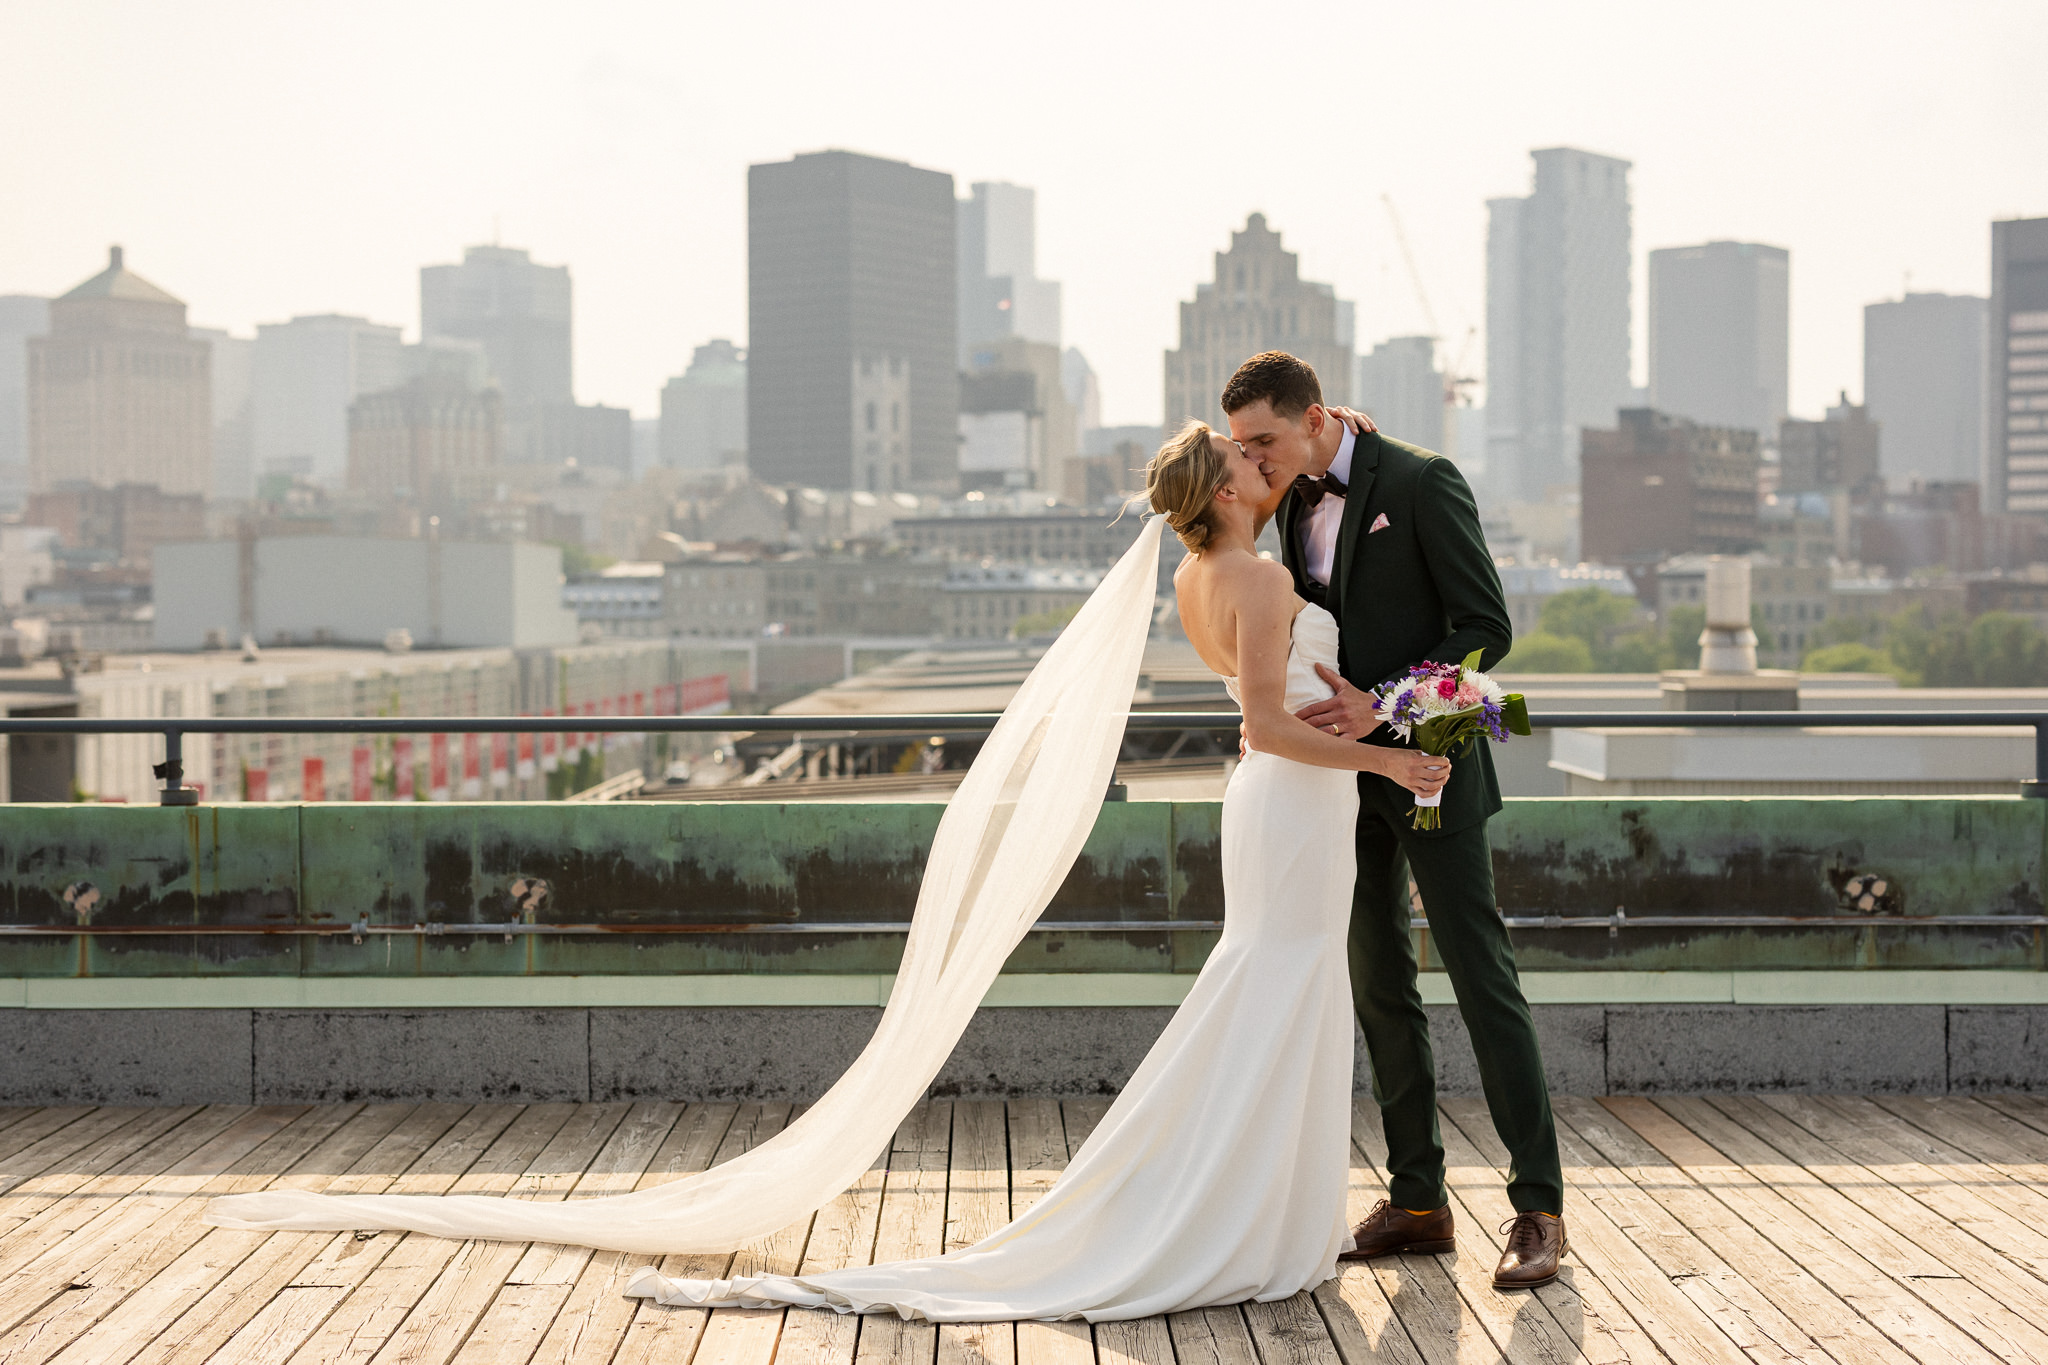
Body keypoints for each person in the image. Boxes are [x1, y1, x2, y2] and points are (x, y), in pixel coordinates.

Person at [203, 420, 1454, 1322]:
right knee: (1274, 988)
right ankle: (1223, 1220)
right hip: (1290, 797)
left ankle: (1256, 1218)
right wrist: (1397, 769)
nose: (1260, 463)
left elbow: (1288, 693)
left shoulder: (1201, 573)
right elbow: (1256, 723)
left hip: (1291, 803)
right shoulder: (1246, 571)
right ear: (1223, 491)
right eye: (1243, 458)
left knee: (1279, 991)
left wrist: (1358, 712)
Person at [1225, 350, 1566, 1289]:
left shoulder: (1421, 479)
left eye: (1266, 440)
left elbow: (1486, 625)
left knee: (1481, 975)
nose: (1254, 458)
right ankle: (1418, 1200)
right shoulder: (1282, 499)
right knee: (1379, 984)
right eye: (1244, 444)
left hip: (1435, 756)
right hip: (1332, 779)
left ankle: (1539, 1207)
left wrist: (1390, 706)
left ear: (1316, 416)